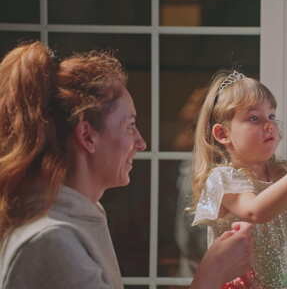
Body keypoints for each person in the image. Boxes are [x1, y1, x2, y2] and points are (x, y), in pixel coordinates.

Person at [0, 41, 253, 289]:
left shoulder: (83, 215)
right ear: (87, 135)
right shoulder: (51, 241)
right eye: (130, 126)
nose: (141, 143)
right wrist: (212, 274)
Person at [191, 70, 287, 289]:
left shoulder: (283, 172)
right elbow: (256, 211)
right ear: (223, 134)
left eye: (271, 116)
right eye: (254, 118)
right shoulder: (223, 177)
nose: (269, 124)